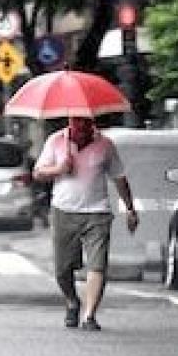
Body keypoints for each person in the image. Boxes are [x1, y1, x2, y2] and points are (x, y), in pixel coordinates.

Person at [32, 116, 139, 331]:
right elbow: (38, 173)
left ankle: (89, 315)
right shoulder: (55, 141)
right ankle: (72, 301)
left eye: (85, 122)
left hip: (97, 212)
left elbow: (119, 178)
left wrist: (129, 208)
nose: (80, 126)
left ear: (92, 123)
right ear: (70, 121)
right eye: (75, 121)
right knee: (62, 270)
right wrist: (59, 169)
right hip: (64, 210)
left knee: (97, 264)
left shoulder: (105, 145)